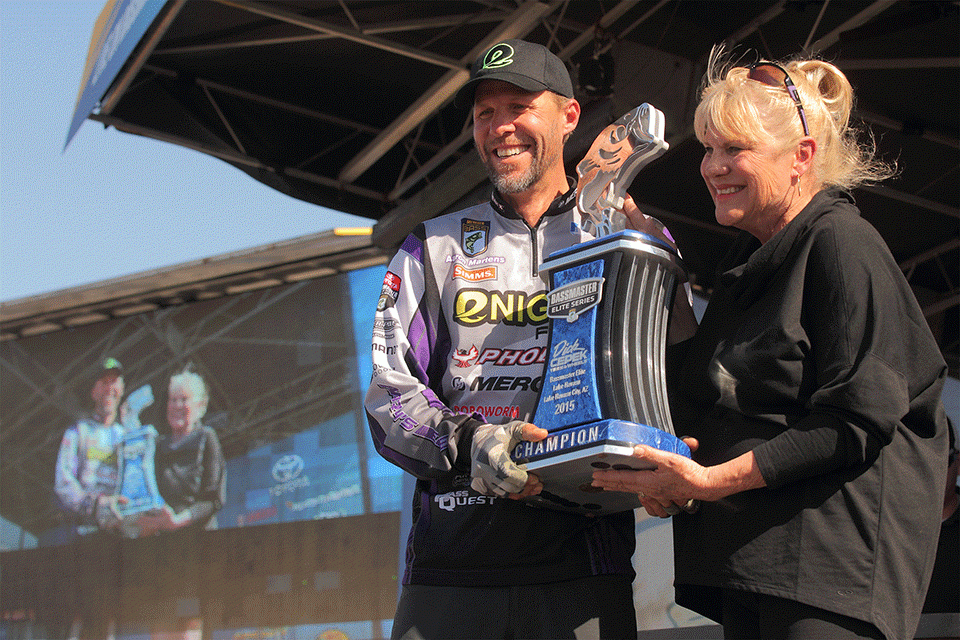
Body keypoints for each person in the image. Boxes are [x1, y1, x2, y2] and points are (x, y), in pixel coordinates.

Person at [591, 49, 951, 639]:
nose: (712, 167)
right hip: (753, 571)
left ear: (801, 157)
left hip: (829, 580)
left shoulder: (842, 243)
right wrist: (662, 265)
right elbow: (696, 391)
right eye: (708, 148)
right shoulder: (751, 265)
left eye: (735, 149)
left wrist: (708, 482)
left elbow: (858, 417)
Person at [365, 39, 694, 640]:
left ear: (569, 116)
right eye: (485, 113)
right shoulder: (432, 246)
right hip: (452, 567)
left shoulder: (624, 234)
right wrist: (472, 444)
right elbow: (389, 395)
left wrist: (678, 469)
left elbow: (677, 376)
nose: (500, 128)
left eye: (518, 107)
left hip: (585, 564)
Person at [135, 368, 226, 535]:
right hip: (163, 537)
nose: (177, 406)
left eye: (184, 399)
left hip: (199, 535)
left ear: (200, 406)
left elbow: (213, 499)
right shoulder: (158, 445)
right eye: (173, 400)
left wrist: (179, 521)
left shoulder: (206, 437)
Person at [54, 357, 129, 535]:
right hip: (82, 528)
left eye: (114, 382)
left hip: (119, 529)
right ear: (94, 392)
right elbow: (63, 481)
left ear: (122, 389)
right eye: (104, 382)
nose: (109, 388)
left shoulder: (127, 436)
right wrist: (94, 505)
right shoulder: (78, 431)